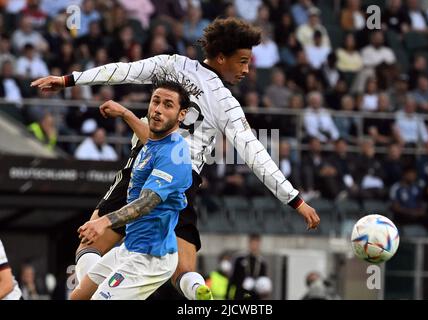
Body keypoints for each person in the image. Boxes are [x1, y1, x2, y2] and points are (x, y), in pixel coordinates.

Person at [31, 17, 320, 300]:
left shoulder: (173, 64)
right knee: (181, 268)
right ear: (221, 58)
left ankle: (110, 288)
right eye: (243, 61)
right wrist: (294, 199)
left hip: (144, 164)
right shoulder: (226, 104)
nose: (247, 69)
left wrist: (69, 80)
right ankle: (192, 291)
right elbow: (255, 154)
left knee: (89, 245)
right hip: (182, 179)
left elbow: (124, 71)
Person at [70, 79, 192, 300]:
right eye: (155, 102)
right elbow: (147, 134)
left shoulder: (175, 154)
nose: (158, 110)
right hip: (130, 247)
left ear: (181, 114)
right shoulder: (153, 143)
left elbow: (148, 202)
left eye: (168, 105)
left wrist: (104, 222)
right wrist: (125, 112)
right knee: (79, 296)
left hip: (151, 257)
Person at [226, 233, 268, 300]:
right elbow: (232, 278)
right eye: (253, 243)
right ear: (249, 243)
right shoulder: (239, 259)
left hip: (254, 295)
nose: (254, 246)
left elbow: (263, 281)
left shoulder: (262, 262)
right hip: (240, 294)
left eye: (256, 243)